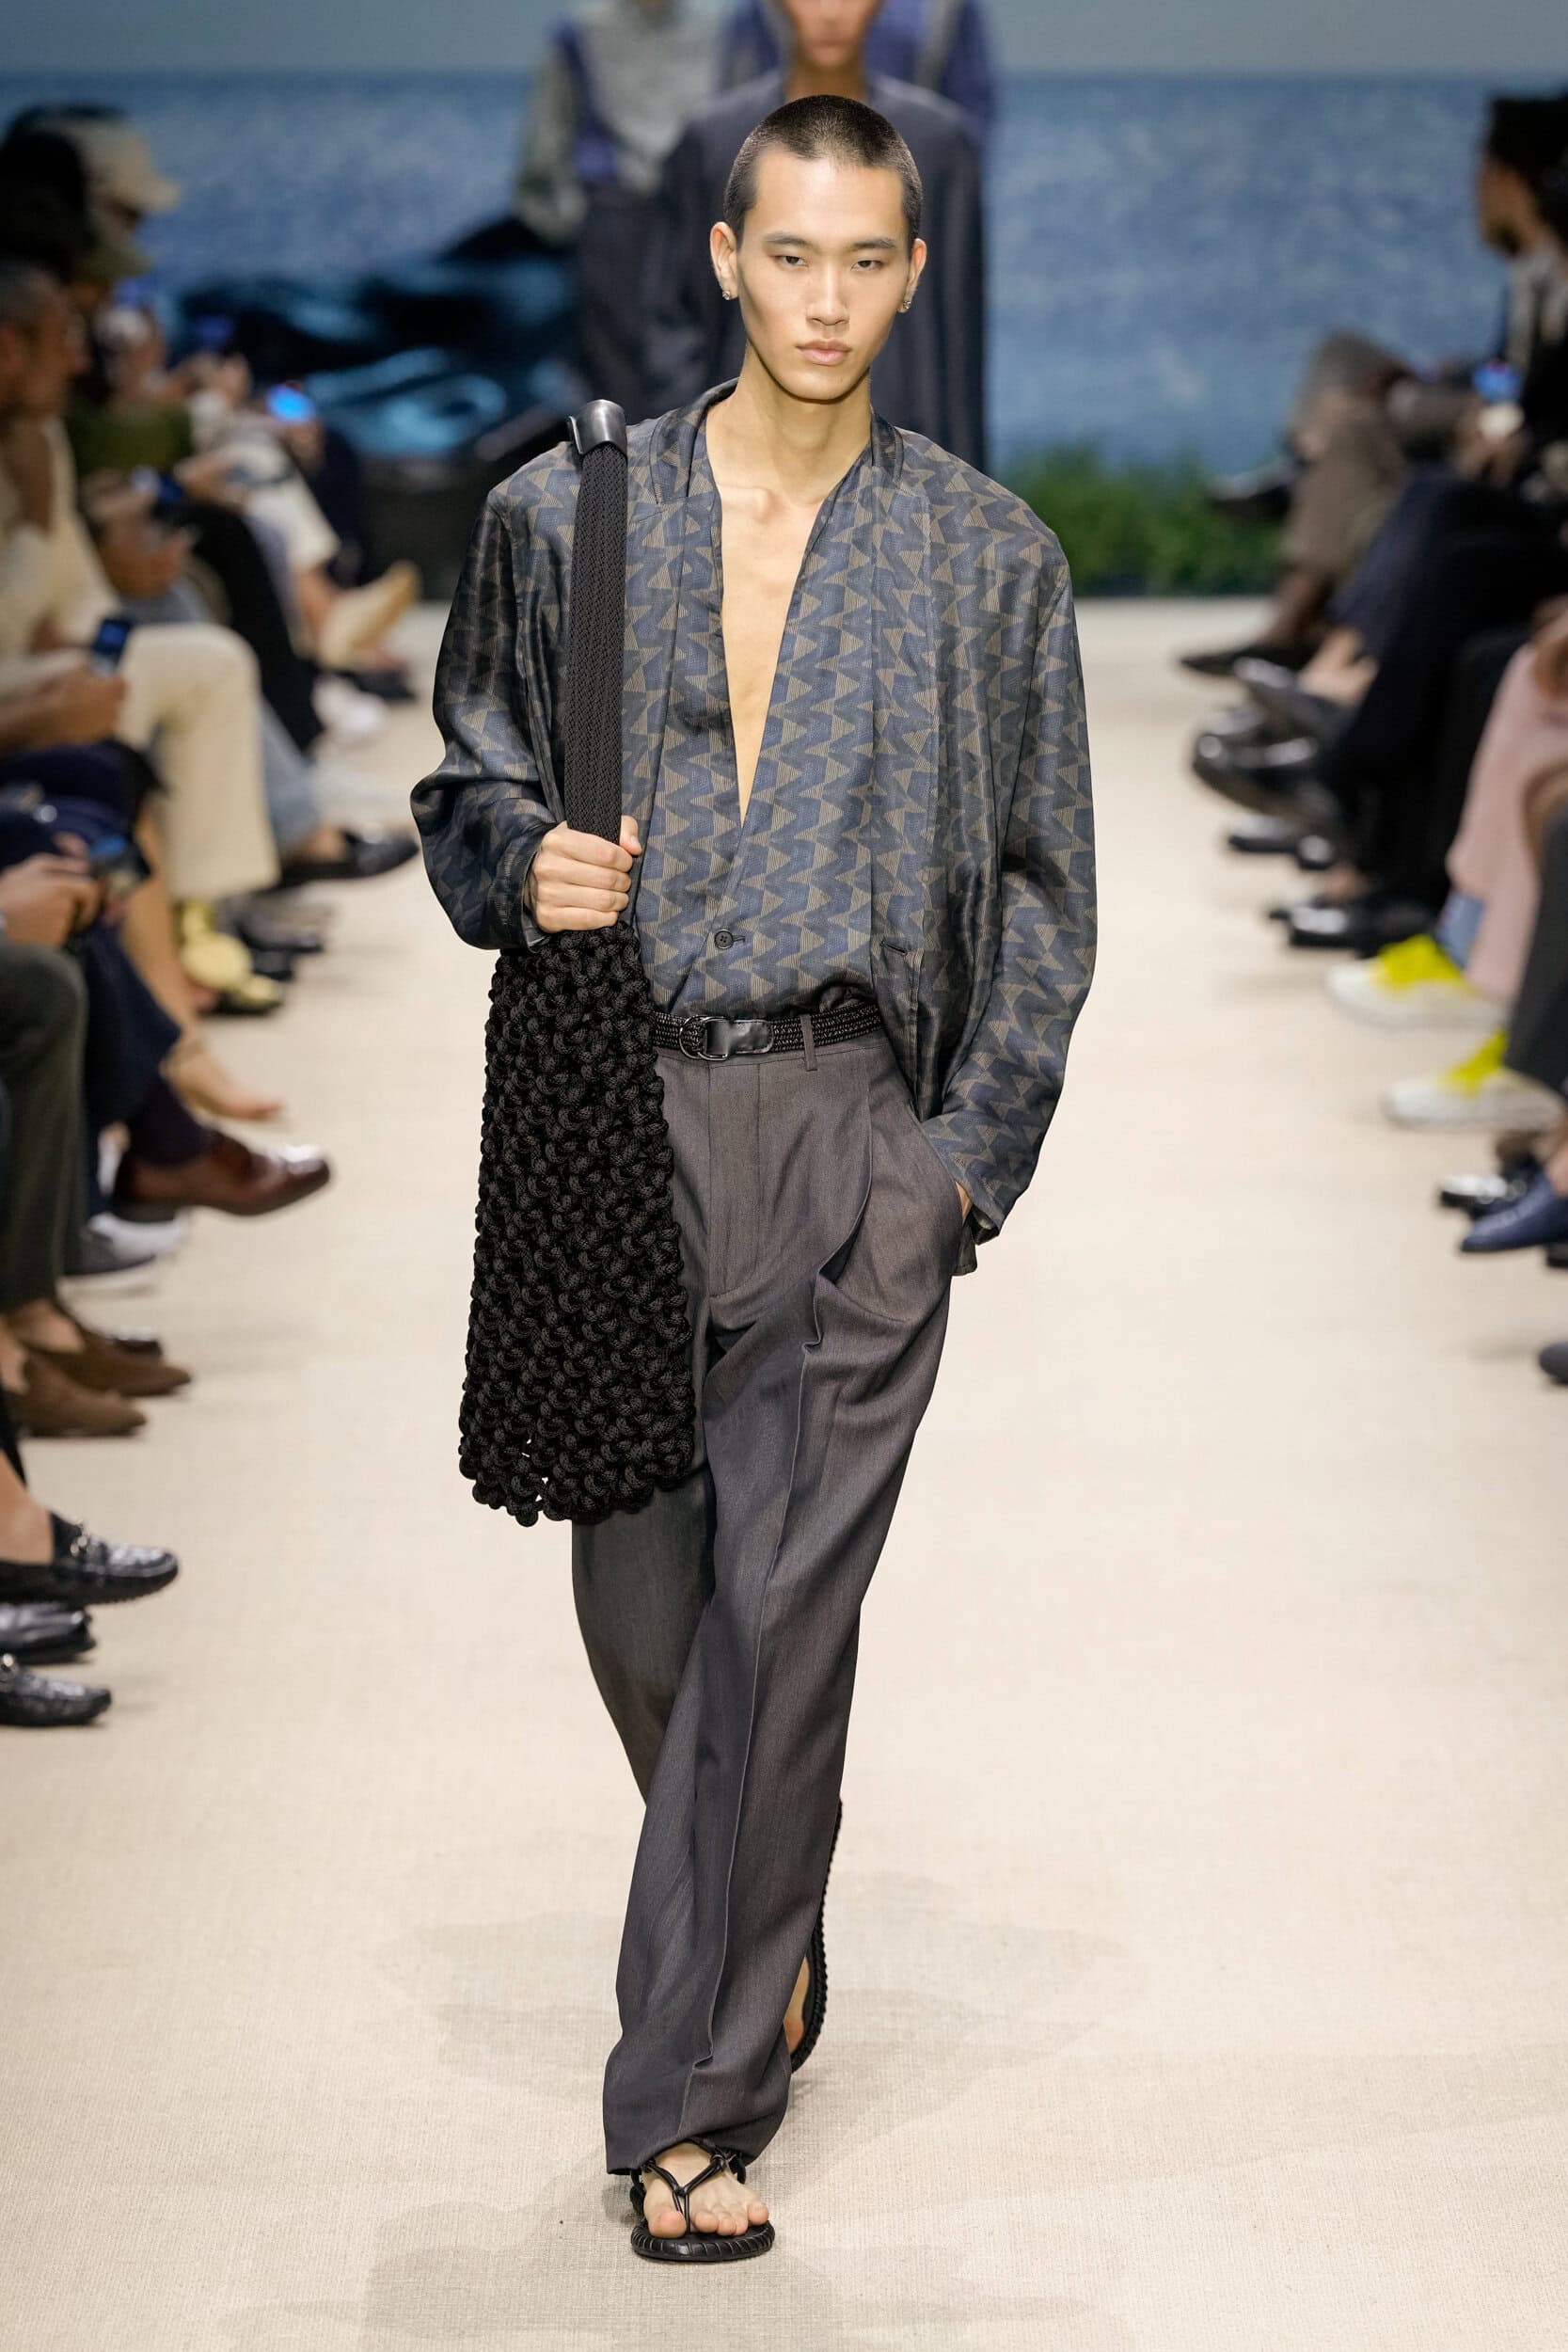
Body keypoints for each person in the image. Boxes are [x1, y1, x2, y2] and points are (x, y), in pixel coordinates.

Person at [415, 94, 1094, 2255]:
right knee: (651, 1616)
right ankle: (755, 1914)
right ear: (721, 257)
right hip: (614, 1119)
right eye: (786, 255)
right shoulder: (563, 515)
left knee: (781, 1618)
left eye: (862, 259)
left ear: (912, 272)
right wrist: (522, 863)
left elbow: (1045, 886)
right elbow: (464, 775)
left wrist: (956, 1163)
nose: (823, 299)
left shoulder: (988, 557)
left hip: (848, 1134)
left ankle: (688, 2104)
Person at [645, 0, 987, 466]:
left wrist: (962, 482)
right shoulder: (714, 142)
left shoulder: (939, 145)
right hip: (737, 449)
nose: (830, 11)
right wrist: (675, 465)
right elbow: (673, 320)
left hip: (903, 449)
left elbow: (958, 337)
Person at [514, 0, 728, 419]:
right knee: (619, 390)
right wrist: (576, 225)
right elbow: (541, 160)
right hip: (617, 223)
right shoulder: (579, 31)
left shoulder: (723, 26)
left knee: (701, 375)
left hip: (695, 219)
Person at [720, 0, 995, 143]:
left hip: (912, 171)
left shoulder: (944, 7)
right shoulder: (756, 11)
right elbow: (738, 112)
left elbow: (970, 115)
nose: (830, 12)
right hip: (778, 170)